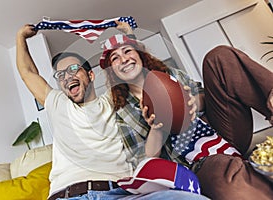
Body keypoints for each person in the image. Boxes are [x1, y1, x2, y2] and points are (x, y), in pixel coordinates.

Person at [16, 24, 209, 200]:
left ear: (90, 75)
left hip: (119, 193)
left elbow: (131, 70)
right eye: (61, 75)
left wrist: (129, 35)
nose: (68, 77)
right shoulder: (58, 104)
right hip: (68, 195)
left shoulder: (116, 102)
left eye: (74, 69)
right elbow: (28, 73)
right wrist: (20, 37)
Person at [99, 33, 273, 200]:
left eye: (127, 51)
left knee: (218, 57)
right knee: (232, 186)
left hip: (223, 128)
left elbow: (208, 96)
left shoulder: (171, 74)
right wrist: (157, 128)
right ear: (111, 71)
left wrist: (193, 102)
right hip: (198, 160)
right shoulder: (123, 113)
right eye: (115, 58)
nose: (124, 59)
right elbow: (144, 161)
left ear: (139, 54)